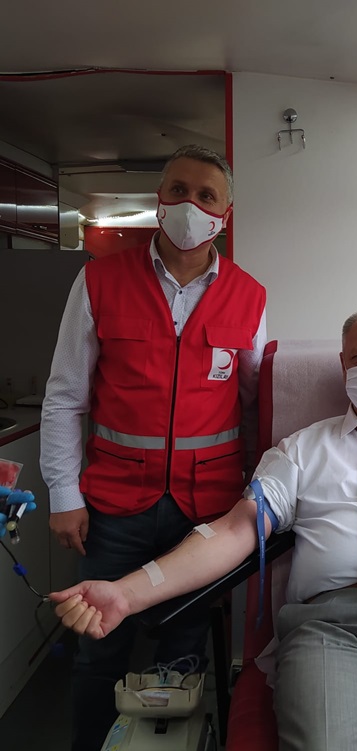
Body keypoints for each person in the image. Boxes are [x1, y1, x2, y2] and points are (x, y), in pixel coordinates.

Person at [51, 306, 357, 751]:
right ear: (343, 365)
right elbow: (234, 532)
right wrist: (126, 594)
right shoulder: (298, 451)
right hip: (328, 628)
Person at [40, 144, 267, 750]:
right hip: (114, 506)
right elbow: (65, 397)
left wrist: (251, 497)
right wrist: (63, 494)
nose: (191, 204)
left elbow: (250, 406)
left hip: (207, 512)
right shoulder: (99, 280)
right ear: (159, 199)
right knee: (98, 651)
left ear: (225, 214)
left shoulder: (250, 295)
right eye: (178, 190)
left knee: (182, 656)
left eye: (206, 195)